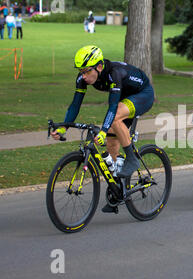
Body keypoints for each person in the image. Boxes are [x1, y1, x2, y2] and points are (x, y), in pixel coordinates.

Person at [51, 45, 155, 213]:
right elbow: (75, 105)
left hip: (142, 94)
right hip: (123, 96)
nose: (83, 76)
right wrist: (63, 128)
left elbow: (113, 107)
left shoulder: (115, 73)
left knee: (113, 119)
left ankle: (132, 159)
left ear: (99, 67)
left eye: (86, 71)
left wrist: (102, 130)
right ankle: (117, 191)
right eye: (80, 72)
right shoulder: (82, 78)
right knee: (110, 143)